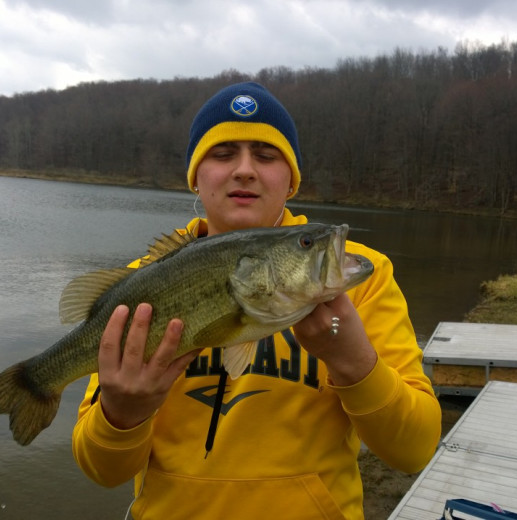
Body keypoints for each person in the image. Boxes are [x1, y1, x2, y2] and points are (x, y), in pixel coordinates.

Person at [72, 82, 441, 519]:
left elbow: (415, 451)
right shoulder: (141, 288)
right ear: (196, 176)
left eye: (266, 156)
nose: (245, 170)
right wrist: (122, 413)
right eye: (223, 153)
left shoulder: (361, 279)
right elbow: (102, 471)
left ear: (290, 180)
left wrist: (353, 361)